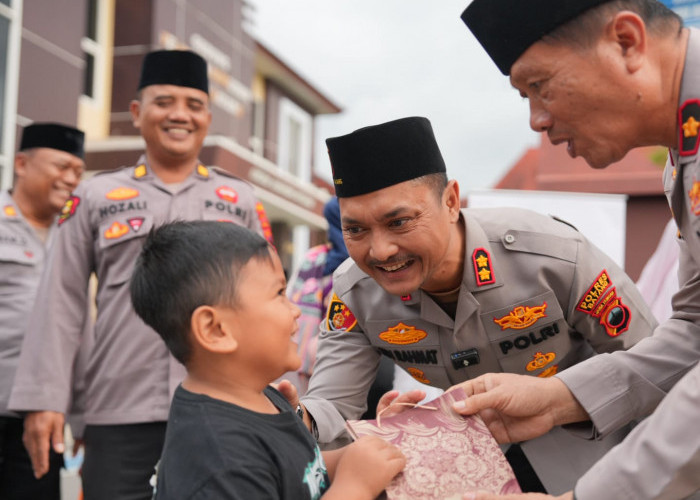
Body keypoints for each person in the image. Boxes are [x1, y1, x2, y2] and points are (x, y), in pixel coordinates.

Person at [296, 116, 659, 494]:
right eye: (355, 230)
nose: (380, 250)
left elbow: (654, 366)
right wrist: (293, 417)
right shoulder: (354, 292)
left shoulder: (551, 257)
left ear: (451, 201)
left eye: (400, 222)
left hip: (595, 464)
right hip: (466, 475)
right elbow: (333, 406)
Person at [453, 1, 700, 498]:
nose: (536, 121)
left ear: (626, 41)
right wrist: (555, 398)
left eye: (540, 86)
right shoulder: (684, 155)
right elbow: (695, 327)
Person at [8, 49, 270, 500]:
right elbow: (60, 301)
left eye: (193, 104)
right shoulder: (93, 196)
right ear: (136, 112)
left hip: (223, 409)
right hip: (118, 411)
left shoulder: (240, 199)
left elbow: (269, 301)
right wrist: (45, 400)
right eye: (164, 101)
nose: (179, 115)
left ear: (208, 116)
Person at [129, 220, 405, 499]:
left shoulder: (265, 399)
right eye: (279, 294)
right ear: (215, 329)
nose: (296, 310)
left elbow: (306, 469)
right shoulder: (220, 459)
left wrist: (362, 452)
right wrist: (354, 486)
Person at [0, 123, 84, 499]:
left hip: (41, 420)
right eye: (61, 167)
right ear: (21, 163)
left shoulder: (75, 240)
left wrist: (82, 418)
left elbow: (79, 333)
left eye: (79, 173)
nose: (71, 179)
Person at [285, 196, 395, 418]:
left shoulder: (373, 259)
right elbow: (294, 304)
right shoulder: (315, 258)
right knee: (325, 414)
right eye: (351, 226)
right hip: (319, 363)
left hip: (372, 356)